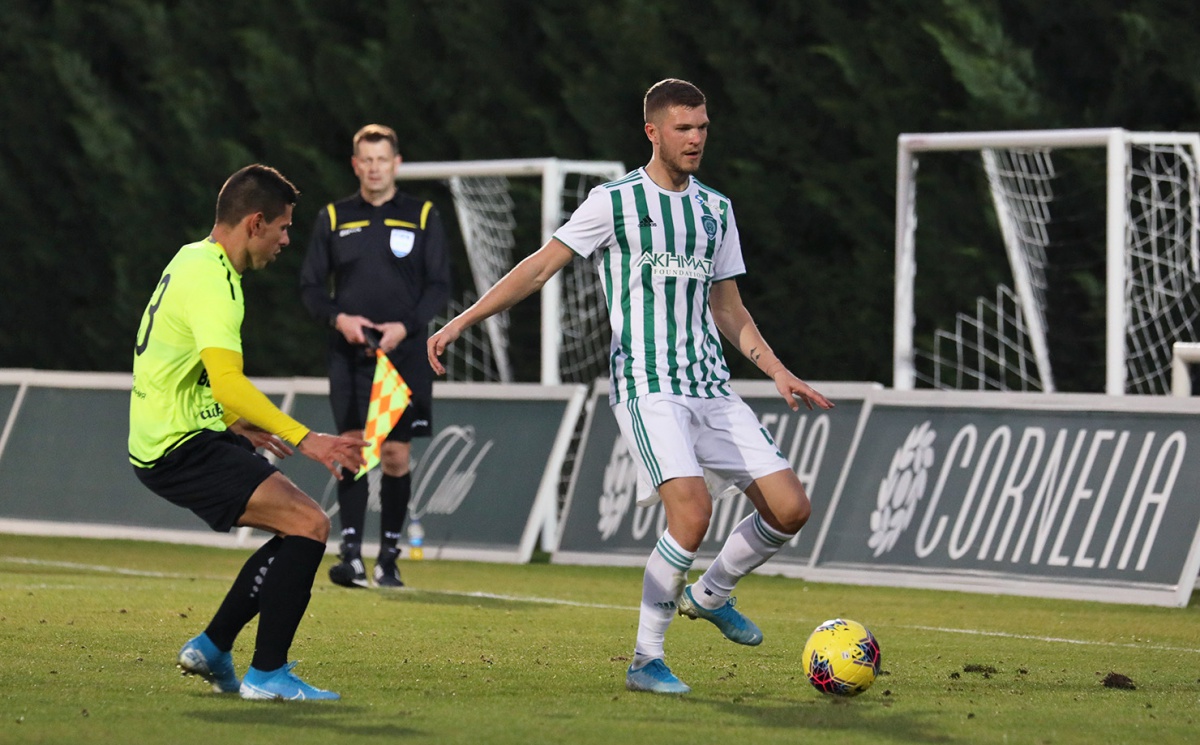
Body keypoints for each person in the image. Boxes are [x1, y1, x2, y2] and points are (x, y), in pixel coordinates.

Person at [428, 79, 834, 695]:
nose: (695, 138)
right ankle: (646, 659)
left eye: (702, 127)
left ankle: (712, 593)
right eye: (682, 128)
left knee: (790, 508)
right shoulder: (613, 202)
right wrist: (463, 321)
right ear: (653, 132)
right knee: (691, 514)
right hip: (648, 386)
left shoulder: (716, 210)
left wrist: (776, 369)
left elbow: (728, 308)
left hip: (711, 386)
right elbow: (539, 268)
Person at [129, 164, 369, 701]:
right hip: (179, 445)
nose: (286, 241)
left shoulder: (191, 258)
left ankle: (214, 647)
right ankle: (267, 674)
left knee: (296, 529)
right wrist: (307, 439)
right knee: (309, 523)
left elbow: (171, 359)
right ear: (255, 223)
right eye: (283, 228)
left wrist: (229, 419)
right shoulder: (215, 282)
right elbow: (229, 381)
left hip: (173, 435)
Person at [300, 124, 451, 589]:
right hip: (350, 355)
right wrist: (339, 319)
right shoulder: (333, 216)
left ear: (396, 163)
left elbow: (439, 286)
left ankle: (389, 558)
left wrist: (405, 327)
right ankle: (350, 556)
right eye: (366, 160)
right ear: (355, 165)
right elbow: (310, 287)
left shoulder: (422, 215)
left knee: (395, 454)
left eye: (382, 159)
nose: (374, 168)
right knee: (351, 448)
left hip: (403, 355)